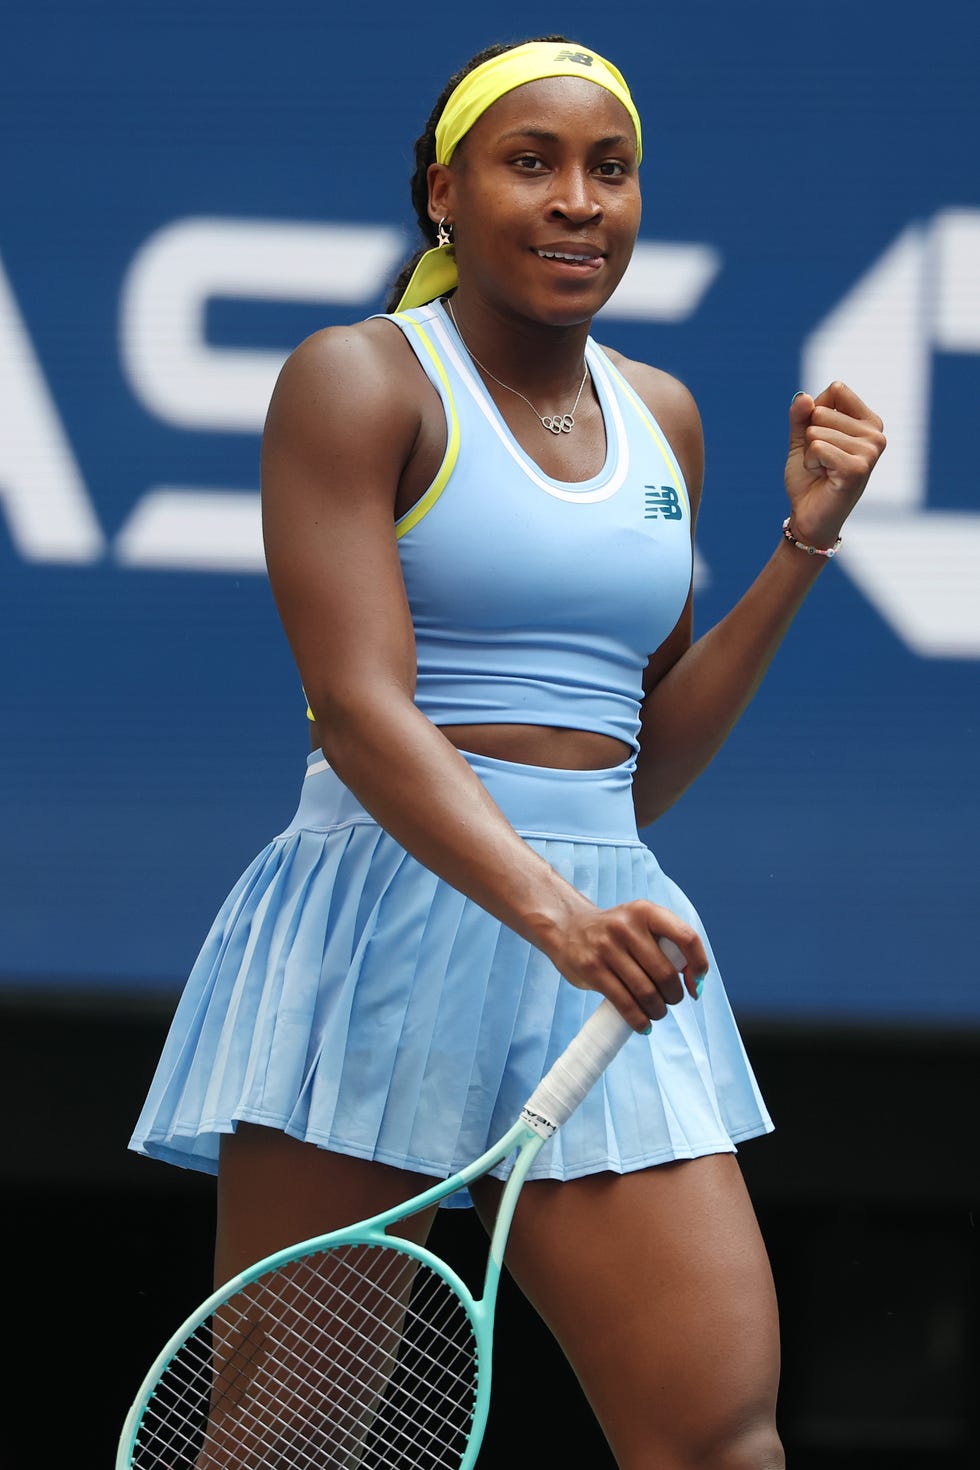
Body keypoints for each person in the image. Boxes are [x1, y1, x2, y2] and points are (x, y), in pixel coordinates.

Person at [130, 35, 885, 1469]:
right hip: (374, 936)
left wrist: (806, 542)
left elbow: (636, 759)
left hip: (594, 945)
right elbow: (360, 713)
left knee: (720, 1436)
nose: (576, 201)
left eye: (610, 169)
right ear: (443, 195)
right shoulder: (356, 381)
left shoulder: (664, 418)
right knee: (288, 1448)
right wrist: (554, 915)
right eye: (529, 164)